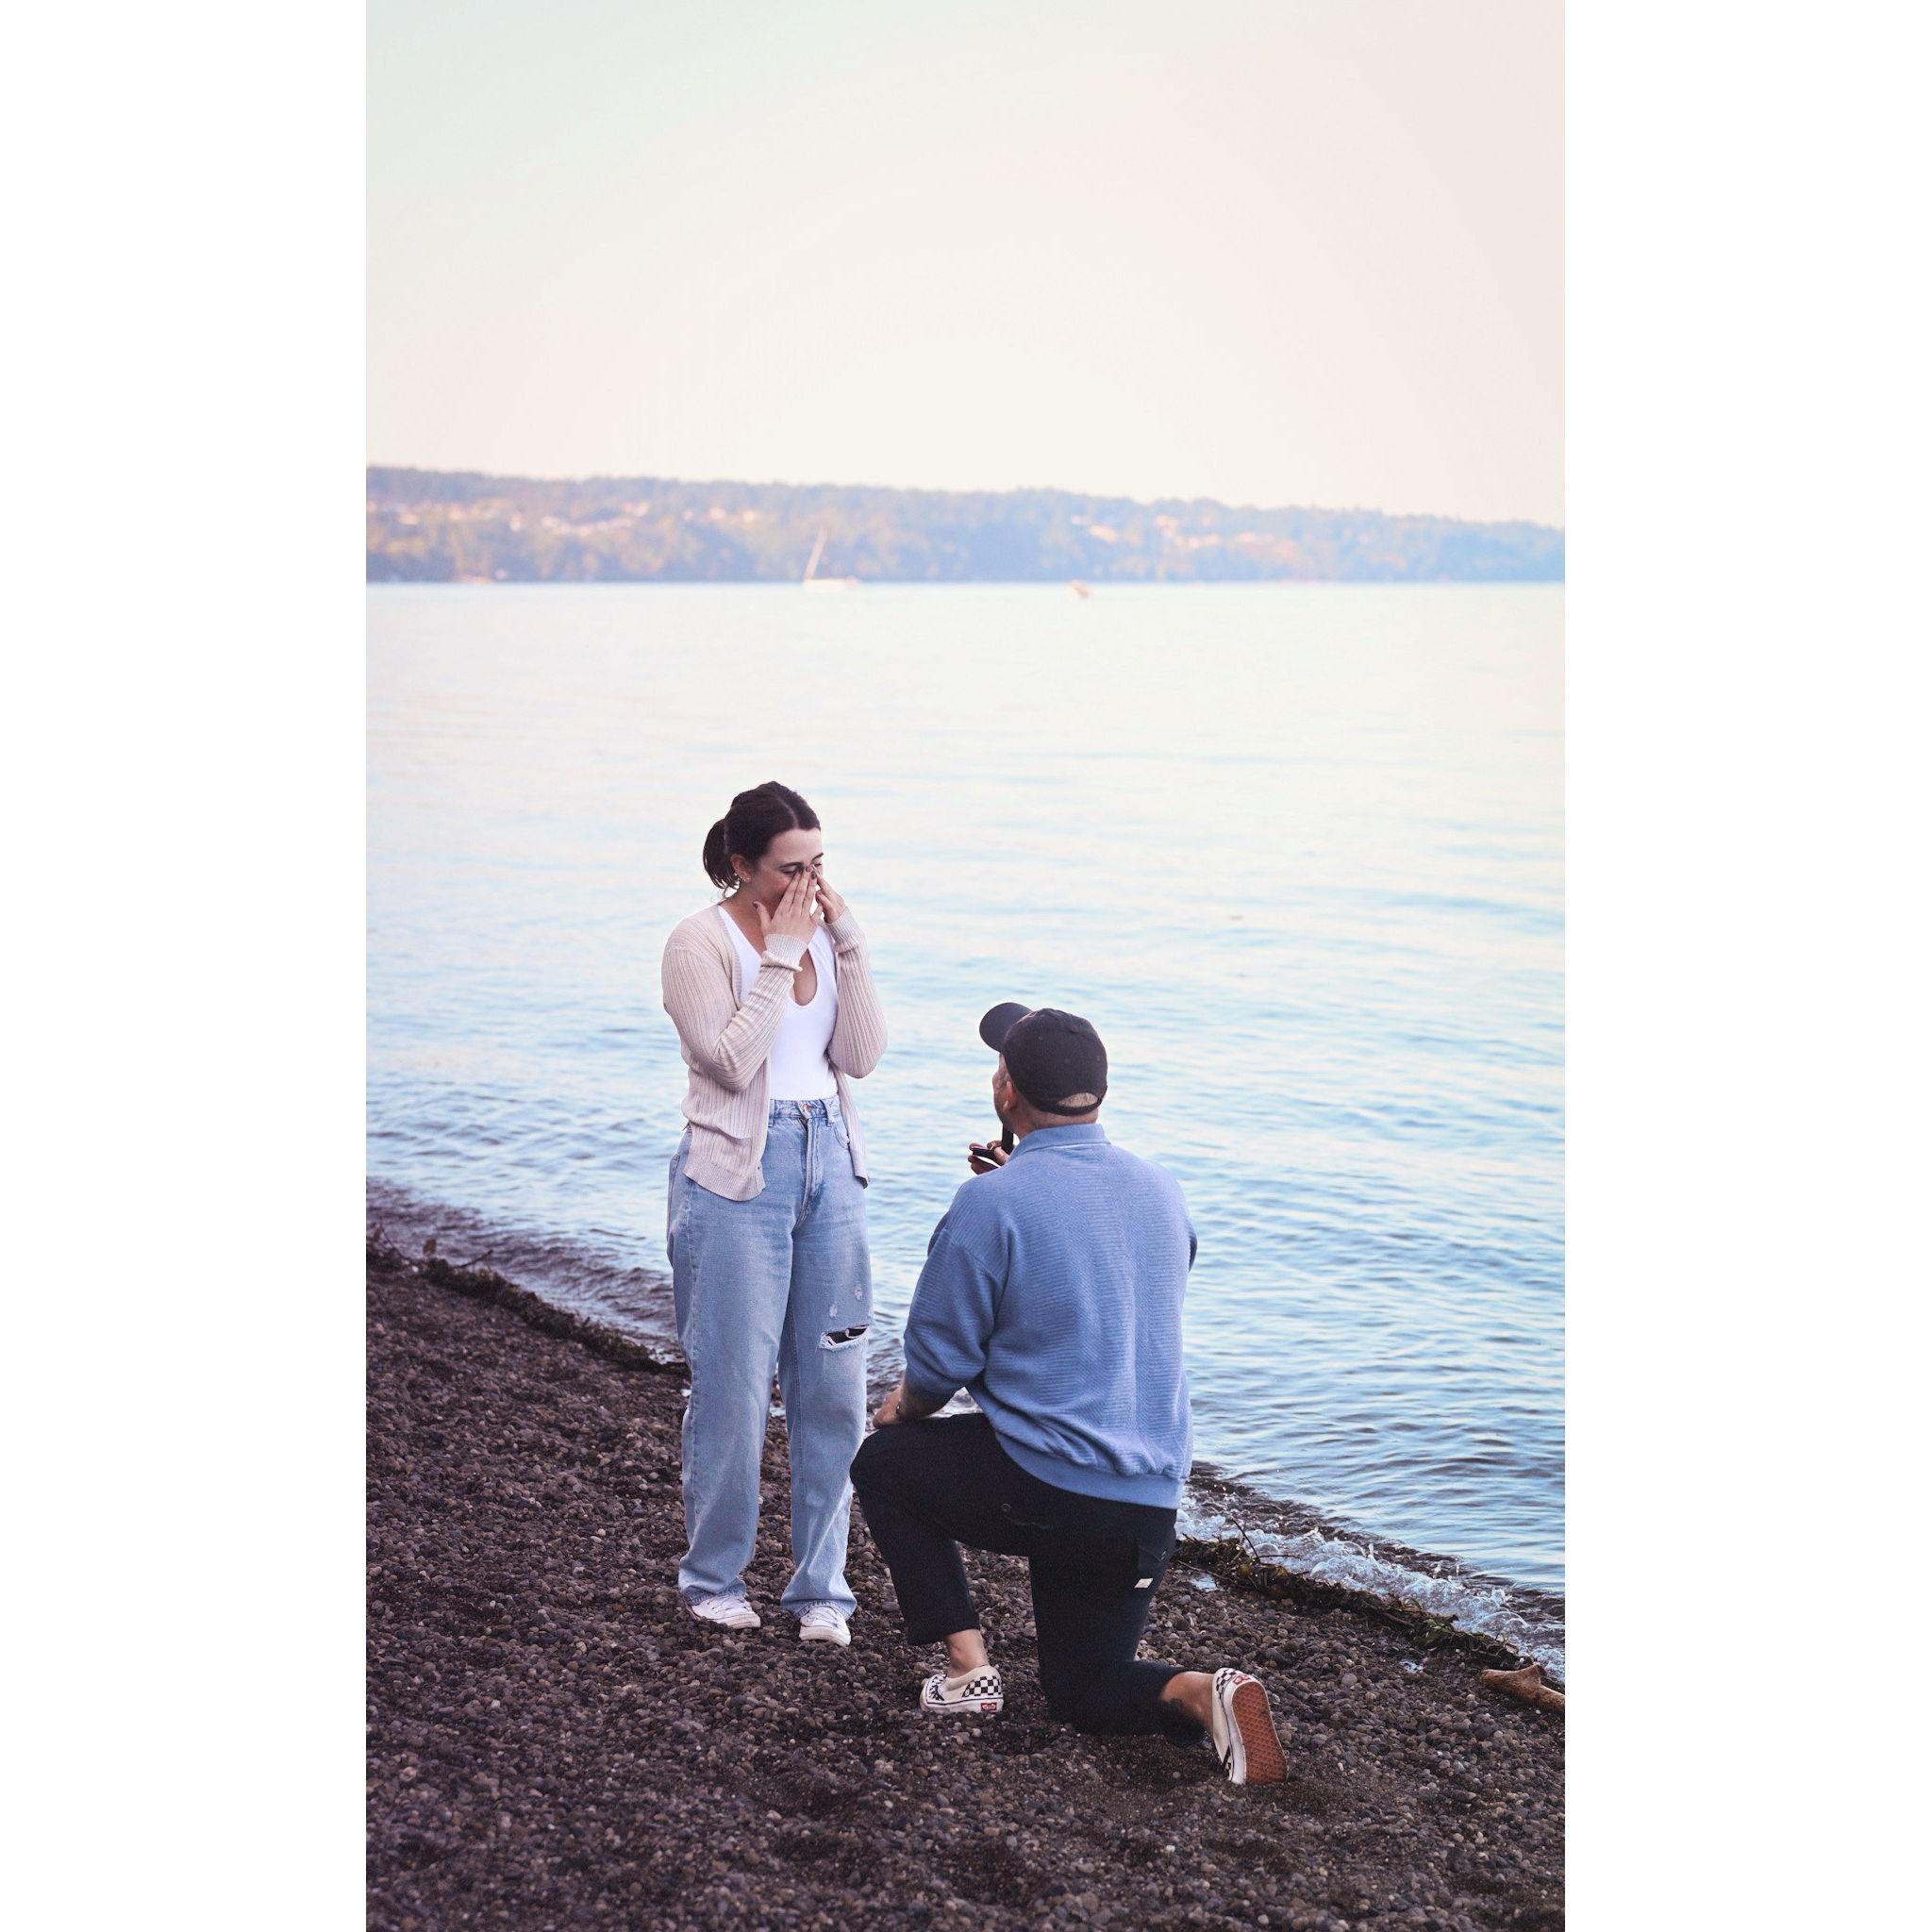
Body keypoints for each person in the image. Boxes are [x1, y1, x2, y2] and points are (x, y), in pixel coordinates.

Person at [850, 1003, 1287, 1784]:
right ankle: (1206, 1693)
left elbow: (943, 1357)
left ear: (1007, 1092)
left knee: (884, 1467)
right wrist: (1021, 1191)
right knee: (1084, 1689)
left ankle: (966, 1674)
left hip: (1042, 1490)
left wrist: (897, 1413)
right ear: (1100, 1091)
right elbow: (1110, 1289)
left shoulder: (989, 1202)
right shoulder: (1162, 1189)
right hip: (1144, 1505)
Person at [659, 781, 886, 1646]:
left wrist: (849, 942)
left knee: (834, 1389)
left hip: (832, 1158)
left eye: (819, 863)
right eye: (791, 867)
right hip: (734, 1179)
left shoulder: (825, 934)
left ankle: (819, 1589)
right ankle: (713, 1579)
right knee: (734, 1389)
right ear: (742, 864)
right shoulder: (698, 941)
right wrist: (783, 955)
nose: (808, 882)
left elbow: (859, 1056)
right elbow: (726, 1061)